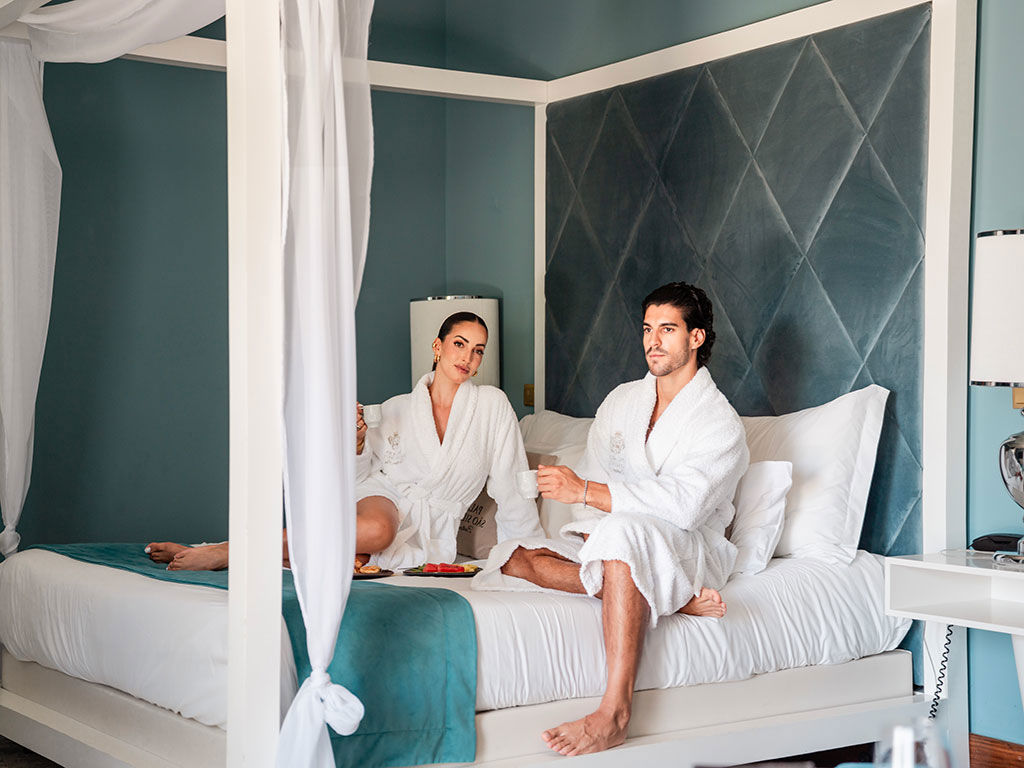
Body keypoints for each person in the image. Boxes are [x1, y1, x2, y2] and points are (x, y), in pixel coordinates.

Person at [475, 282, 749, 756]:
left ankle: (615, 712)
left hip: (688, 544)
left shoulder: (719, 422)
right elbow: (593, 489)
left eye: (667, 329)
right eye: (647, 328)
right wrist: (589, 513)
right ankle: (670, 595)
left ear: (696, 337)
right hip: (615, 537)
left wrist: (585, 491)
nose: (652, 341)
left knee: (622, 534)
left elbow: (684, 505)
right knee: (513, 556)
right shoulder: (623, 401)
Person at [146, 311, 543, 570]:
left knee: (351, 560)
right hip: (384, 496)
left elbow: (511, 483)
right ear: (438, 347)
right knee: (379, 533)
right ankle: (231, 550)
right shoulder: (397, 407)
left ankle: (220, 551)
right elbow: (361, 473)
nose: (468, 358)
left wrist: (527, 553)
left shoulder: (492, 406)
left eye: (478, 351)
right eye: (459, 344)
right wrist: (356, 442)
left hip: (433, 528)